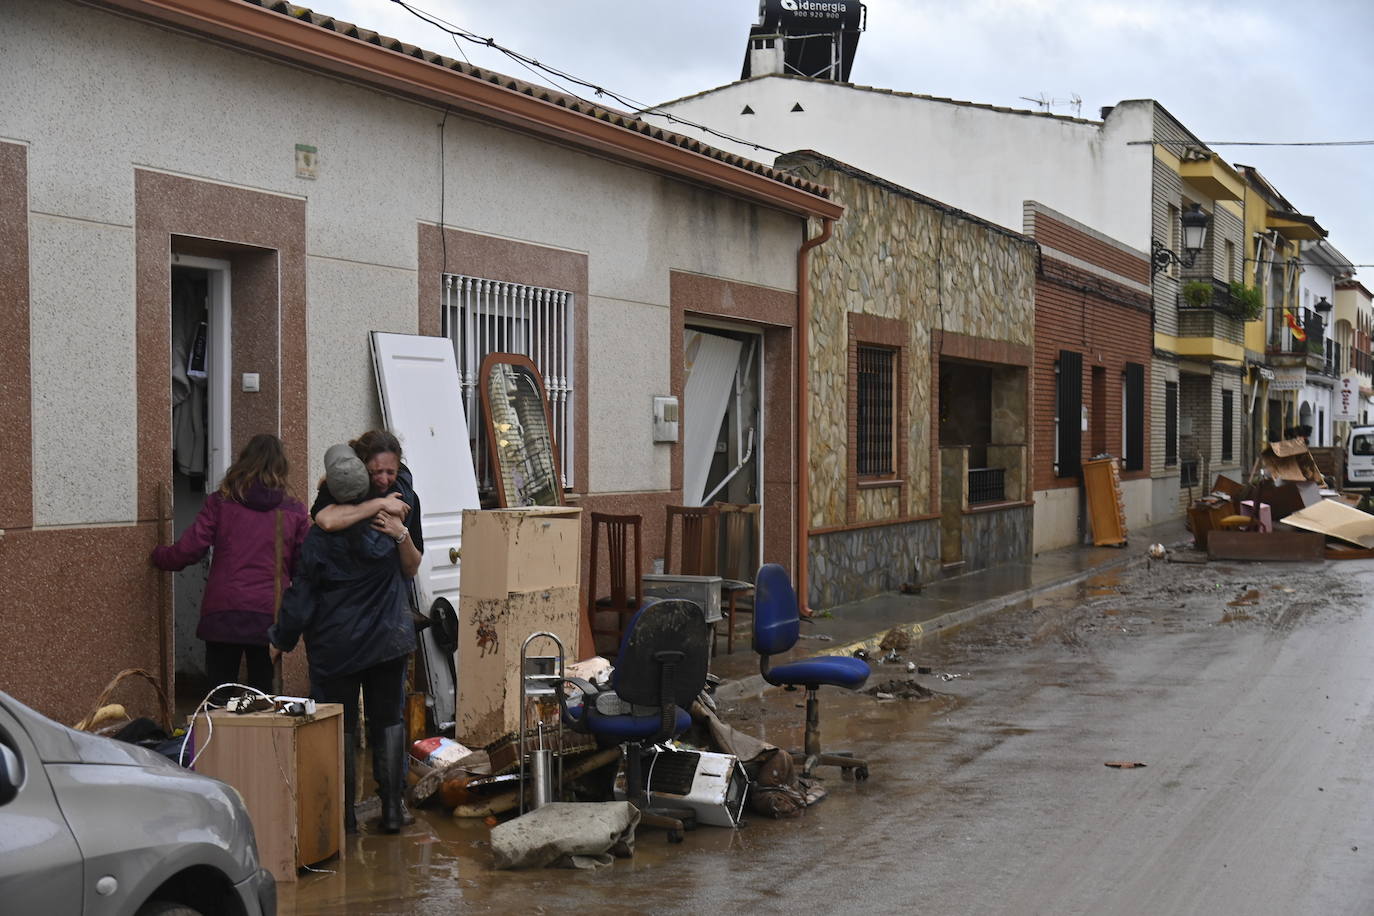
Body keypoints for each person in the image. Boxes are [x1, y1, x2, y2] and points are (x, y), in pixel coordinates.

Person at [270, 436, 421, 834]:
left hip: (336, 645)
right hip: (389, 639)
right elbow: (407, 569)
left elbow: (301, 595)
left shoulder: (321, 536)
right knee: (388, 721)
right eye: (378, 473)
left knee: (339, 726)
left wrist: (281, 638)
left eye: (390, 471)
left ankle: (343, 818)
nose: (386, 479)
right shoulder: (387, 524)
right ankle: (391, 810)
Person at [151, 434, 310, 695]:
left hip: (223, 612)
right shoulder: (294, 512)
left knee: (218, 696)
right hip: (269, 616)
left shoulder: (221, 502)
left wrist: (160, 556)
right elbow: (302, 569)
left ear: (243, 462)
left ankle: (217, 737)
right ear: (281, 467)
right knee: (262, 700)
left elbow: (190, 549)